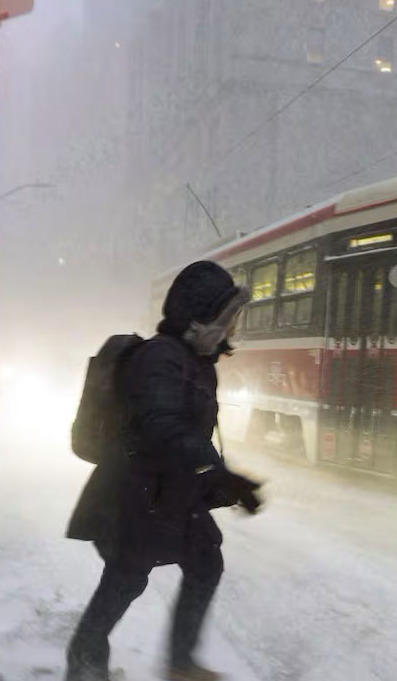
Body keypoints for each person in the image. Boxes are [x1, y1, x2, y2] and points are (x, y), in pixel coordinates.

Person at [65, 261, 262, 681]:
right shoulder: (159, 357)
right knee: (126, 579)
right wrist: (216, 471)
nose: (232, 328)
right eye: (227, 319)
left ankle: (180, 664)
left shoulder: (196, 361)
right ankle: (84, 662)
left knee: (205, 561)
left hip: (171, 494)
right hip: (134, 493)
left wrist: (216, 474)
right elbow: (161, 426)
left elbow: (187, 430)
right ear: (202, 320)